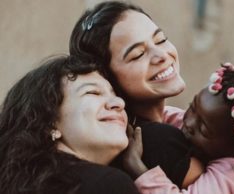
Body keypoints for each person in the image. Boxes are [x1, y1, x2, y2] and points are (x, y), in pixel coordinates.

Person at [69, 1, 234, 193]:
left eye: (161, 40)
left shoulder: (164, 122)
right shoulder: (158, 141)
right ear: (105, 77)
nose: (162, 55)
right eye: (138, 54)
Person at [124, 62, 234, 194]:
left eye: (203, 129)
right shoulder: (205, 122)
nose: (188, 123)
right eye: (192, 106)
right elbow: (167, 116)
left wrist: (138, 169)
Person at [0, 55, 139, 194]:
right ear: (49, 122)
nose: (119, 103)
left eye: (114, 94)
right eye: (93, 92)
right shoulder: (107, 184)